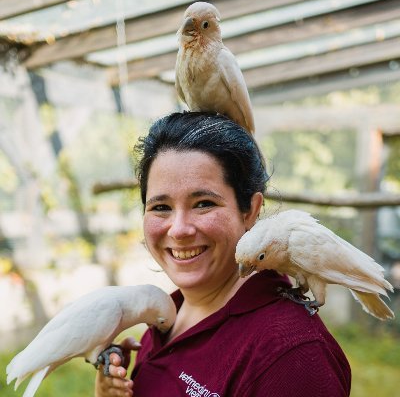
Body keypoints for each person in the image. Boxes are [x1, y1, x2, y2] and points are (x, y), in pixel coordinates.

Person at [95, 111, 351, 397]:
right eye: (161, 207)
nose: (179, 230)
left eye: (204, 203)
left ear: (250, 211)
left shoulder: (289, 357)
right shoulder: (166, 317)